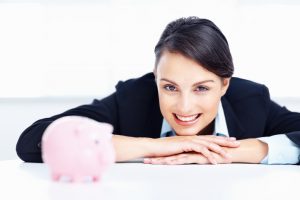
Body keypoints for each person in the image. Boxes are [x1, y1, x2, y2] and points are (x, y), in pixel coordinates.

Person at [16, 16, 300, 165]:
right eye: (170, 87)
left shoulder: (250, 99)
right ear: (155, 79)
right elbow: (32, 142)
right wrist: (157, 146)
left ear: (225, 84)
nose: (185, 107)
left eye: (201, 88)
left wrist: (235, 152)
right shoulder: (133, 98)